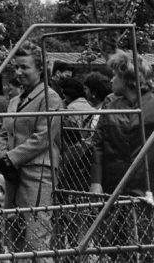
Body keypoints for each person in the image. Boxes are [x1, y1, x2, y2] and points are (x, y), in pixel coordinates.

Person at [0, 41, 62, 258]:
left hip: (36, 173)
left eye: (24, 67)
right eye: (16, 67)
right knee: (13, 236)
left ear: (40, 69)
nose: (18, 72)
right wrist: (3, 157)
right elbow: (4, 132)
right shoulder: (15, 100)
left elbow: (43, 137)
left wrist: (12, 157)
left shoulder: (49, 98)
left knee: (36, 237)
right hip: (12, 173)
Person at [89, 51, 154, 261]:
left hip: (145, 187)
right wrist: (96, 182)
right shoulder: (112, 105)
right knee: (114, 247)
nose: (111, 79)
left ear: (128, 79)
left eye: (115, 75)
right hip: (113, 187)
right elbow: (98, 143)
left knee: (145, 246)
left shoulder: (152, 104)